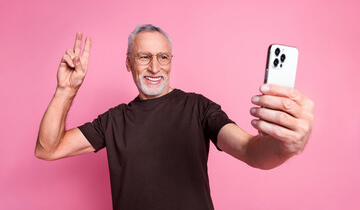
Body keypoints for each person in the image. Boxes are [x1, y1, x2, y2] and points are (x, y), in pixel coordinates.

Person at [35, 24, 314, 210]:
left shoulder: (199, 108)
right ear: (128, 62)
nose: (155, 67)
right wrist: (65, 90)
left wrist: (284, 146)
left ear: (171, 61)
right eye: (144, 57)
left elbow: (250, 151)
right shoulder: (113, 121)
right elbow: (48, 149)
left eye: (163, 57)